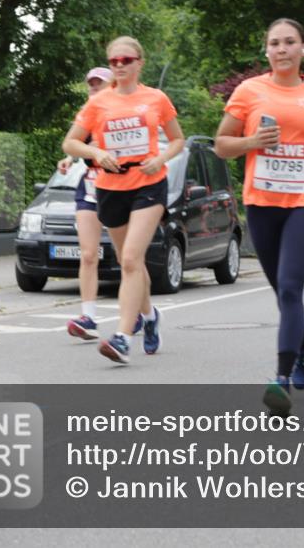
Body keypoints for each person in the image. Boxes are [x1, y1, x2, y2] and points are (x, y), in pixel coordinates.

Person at [215, 19, 304, 416]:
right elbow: (222, 145)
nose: (282, 49)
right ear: (266, 50)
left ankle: (281, 379)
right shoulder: (249, 91)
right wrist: (251, 142)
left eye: (290, 42)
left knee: (291, 287)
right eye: (274, 43)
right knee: (281, 290)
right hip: (261, 200)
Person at [63, 37, 185, 364]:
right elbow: (70, 143)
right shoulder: (99, 103)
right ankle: (149, 316)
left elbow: (177, 140)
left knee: (131, 258)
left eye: (126, 60)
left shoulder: (155, 98)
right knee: (128, 263)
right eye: (114, 61)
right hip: (110, 188)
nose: (119, 66)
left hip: (148, 184)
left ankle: (121, 337)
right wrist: (96, 152)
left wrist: (161, 160)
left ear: (139, 63)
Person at [58, 67, 113, 340]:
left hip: (119, 186)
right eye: (91, 85)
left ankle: (142, 312)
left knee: (130, 258)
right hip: (91, 187)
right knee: (88, 254)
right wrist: (70, 160)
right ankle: (89, 317)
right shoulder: (86, 114)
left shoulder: (120, 111)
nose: (93, 89)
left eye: (99, 84)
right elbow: (75, 144)